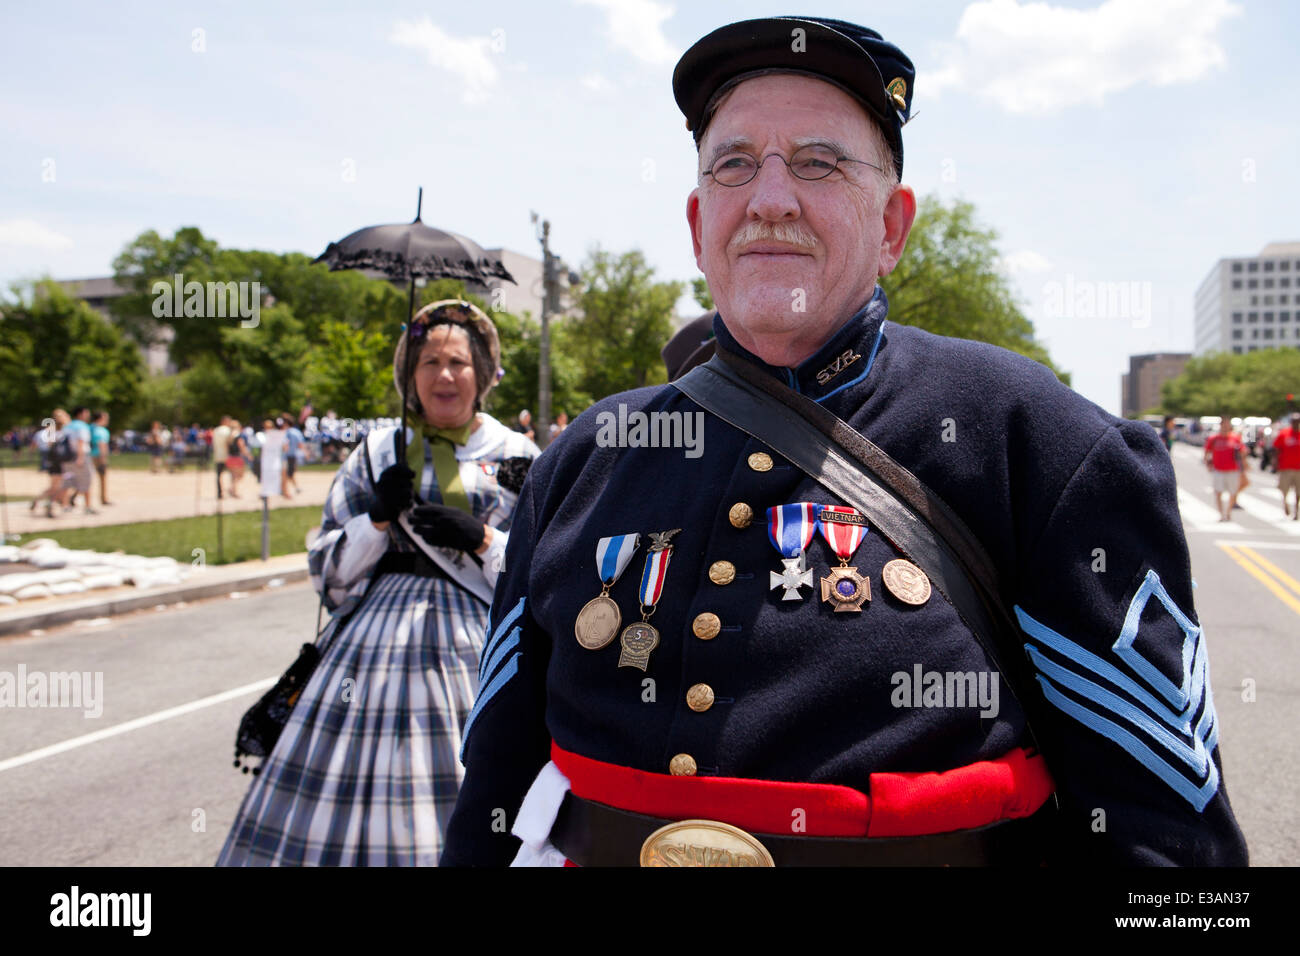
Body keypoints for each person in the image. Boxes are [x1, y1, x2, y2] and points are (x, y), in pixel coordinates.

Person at [441, 16, 1246, 867]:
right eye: (734, 165)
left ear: (893, 227)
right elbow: (494, 788)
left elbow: (1165, 840)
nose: (770, 197)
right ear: (697, 221)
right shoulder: (585, 459)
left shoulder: (1035, 440)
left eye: (819, 162)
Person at [218, 300, 540, 866]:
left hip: (477, 649)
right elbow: (330, 579)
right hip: (367, 653)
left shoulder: (518, 455)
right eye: (429, 361)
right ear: (410, 375)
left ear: (483, 372)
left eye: (459, 362)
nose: (444, 374)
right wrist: (376, 520)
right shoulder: (377, 452)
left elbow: (547, 575)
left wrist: (485, 541)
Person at [1204, 417, 1246, 522]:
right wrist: (1207, 464)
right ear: (1221, 425)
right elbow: (1207, 452)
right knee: (1218, 492)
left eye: (1228, 425)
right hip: (1218, 469)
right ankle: (1222, 514)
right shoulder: (1214, 439)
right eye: (1225, 425)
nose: (1226, 427)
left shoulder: (1235, 438)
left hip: (1232, 470)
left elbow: (1242, 452)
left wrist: (1243, 466)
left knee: (1233, 492)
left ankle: (1228, 512)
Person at [60, 406, 96, 516]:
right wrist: (80, 457)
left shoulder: (67, 426)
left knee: (67, 480)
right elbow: (81, 442)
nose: (88, 415)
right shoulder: (82, 426)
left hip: (67, 456)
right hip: (80, 455)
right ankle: (88, 506)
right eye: (86, 413)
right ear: (80, 414)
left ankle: (65, 505)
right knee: (86, 480)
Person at [1272, 411, 1300, 519]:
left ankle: (1296, 511)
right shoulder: (1284, 433)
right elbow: (1277, 449)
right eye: (1294, 421)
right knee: (1284, 489)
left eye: (1298, 421)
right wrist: (1275, 462)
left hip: (1299, 468)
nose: (1296, 423)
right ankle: (1285, 504)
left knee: (1298, 491)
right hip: (1285, 467)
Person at [90, 410, 112, 506]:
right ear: (101, 418)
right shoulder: (102, 431)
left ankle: (73, 496)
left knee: (85, 478)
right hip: (98, 456)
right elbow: (102, 445)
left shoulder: (89, 428)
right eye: (106, 418)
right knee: (102, 478)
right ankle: (104, 498)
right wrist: (103, 459)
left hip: (87, 455)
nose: (107, 420)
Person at [225, 420, 247, 498]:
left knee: (233, 476)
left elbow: (226, 448)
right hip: (237, 458)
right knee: (240, 475)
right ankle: (234, 491)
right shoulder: (238, 436)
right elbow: (242, 447)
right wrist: (248, 455)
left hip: (230, 458)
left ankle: (232, 489)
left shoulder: (228, 436)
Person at [283, 416, 304, 497]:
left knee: (287, 474)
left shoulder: (286, 432)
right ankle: (295, 488)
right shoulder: (297, 432)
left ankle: (286, 490)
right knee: (289, 473)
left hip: (286, 456)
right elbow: (300, 445)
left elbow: (285, 445)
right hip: (293, 455)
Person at [212, 415, 233, 499]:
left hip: (218, 455)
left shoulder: (216, 430)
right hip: (227, 455)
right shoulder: (228, 430)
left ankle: (219, 492)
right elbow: (228, 443)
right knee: (233, 474)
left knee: (219, 475)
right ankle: (232, 490)